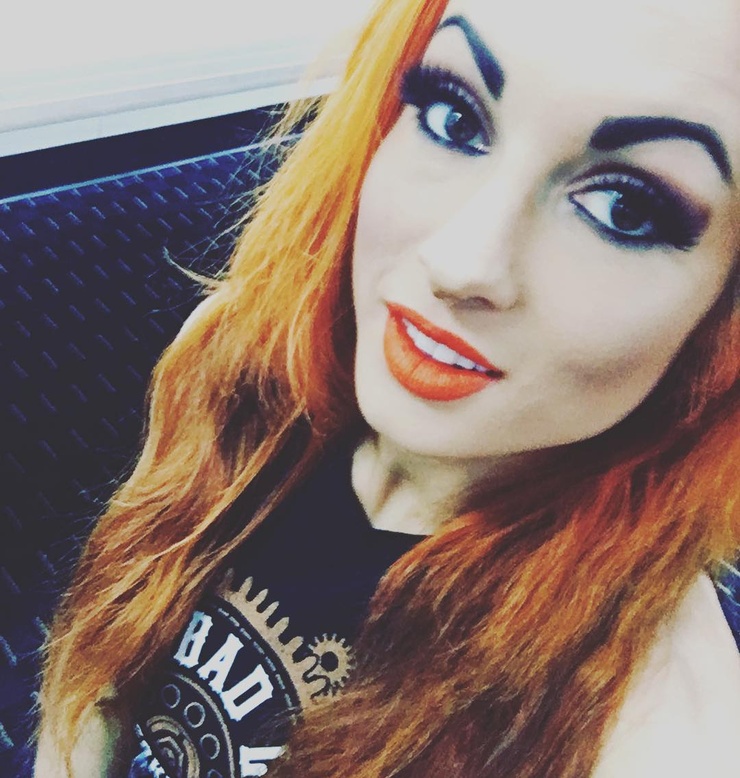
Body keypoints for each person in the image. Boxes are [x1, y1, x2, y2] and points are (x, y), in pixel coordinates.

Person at [35, 0, 740, 775]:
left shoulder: (649, 731)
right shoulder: (237, 354)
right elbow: (102, 664)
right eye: (453, 116)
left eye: (625, 209)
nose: (460, 263)